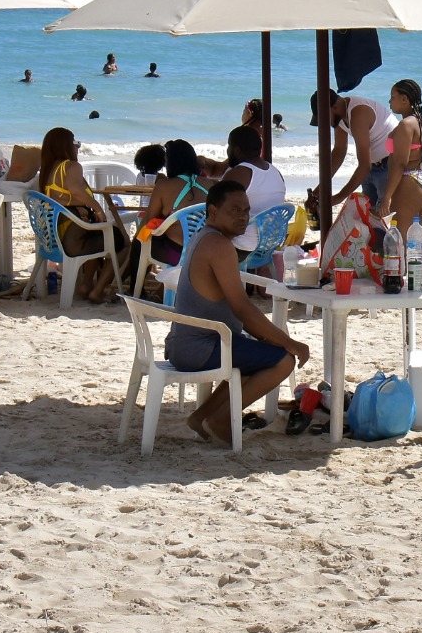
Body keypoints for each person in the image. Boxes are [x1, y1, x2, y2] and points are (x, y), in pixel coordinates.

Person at [164, 181, 309, 445]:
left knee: (259, 354)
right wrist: (289, 343)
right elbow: (242, 307)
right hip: (199, 347)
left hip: (185, 343)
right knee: (283, 361)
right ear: (213, 211)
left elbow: (240, 310)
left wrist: (269, 339)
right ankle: (220, 420)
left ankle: (202, 417)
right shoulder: (218, 245)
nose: (243, 217)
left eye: (246, 210)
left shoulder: (205, 237)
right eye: (235, 210)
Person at [38, 127, 127, 303]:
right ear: (65, 145)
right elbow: (76, 190)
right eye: (75, 143)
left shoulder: (49, 170)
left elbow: (65, 197)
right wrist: (97, 208)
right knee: (123, 242)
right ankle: (98, 289)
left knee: (96, 232)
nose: (77, 146)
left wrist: (83, 209)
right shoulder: (71, 166)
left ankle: (86, 285)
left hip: (55, 239)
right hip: (73, 242)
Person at [130, 140, 209, 284]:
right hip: (206, 251)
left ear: (172, 162)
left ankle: (136, 290)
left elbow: (149, 222)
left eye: (166, 160)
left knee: (138, 242)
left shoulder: (164, 186)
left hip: (177, 254)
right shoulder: (212, 184)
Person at [311, 88, 397, 206]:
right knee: (369, 212)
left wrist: (339, 197)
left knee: (385, 212)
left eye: (325, 118)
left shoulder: (358, 113)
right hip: (373, 166)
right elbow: (339, 151)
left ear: (334, 107)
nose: (326, 123)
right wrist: (319, 190)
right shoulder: (339, 116)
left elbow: (364, 166)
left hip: (389, 165)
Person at [220, 126, 286, 257]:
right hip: (271, 243)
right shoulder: (275, 172)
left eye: (229, 146)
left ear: (236, 150)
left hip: (244, 246)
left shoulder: (240, 173)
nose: (227, 150)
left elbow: (218, 209)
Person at [378, 79, 422, 226]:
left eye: (392, 97)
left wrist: (387, 196)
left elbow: (399, 164)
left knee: (401, 237)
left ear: (404, 99)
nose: (389, 101)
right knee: (414, 236)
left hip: (409, 182)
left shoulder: (406, 124)